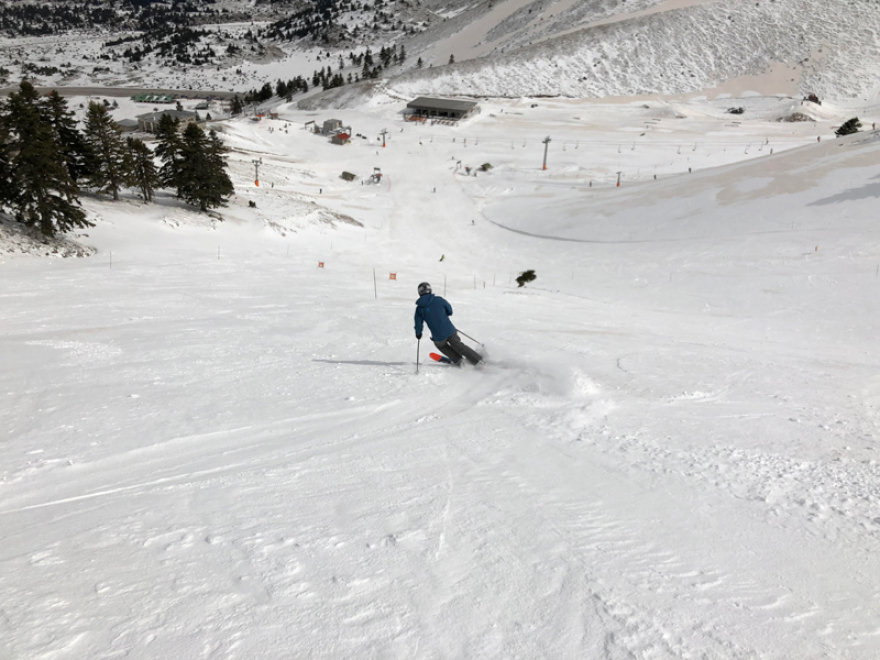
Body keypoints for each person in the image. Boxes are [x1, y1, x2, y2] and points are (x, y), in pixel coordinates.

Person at [414, 282, 482, 366]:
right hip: (450, 330)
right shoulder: (439, 300)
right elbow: (449, 310)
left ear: (419, 292)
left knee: (442, 346)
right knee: (458, 345)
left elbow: (418, 323)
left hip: (438, 336)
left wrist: (418, 333)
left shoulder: (419, 308)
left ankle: (459, 361)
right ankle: (478, 360)